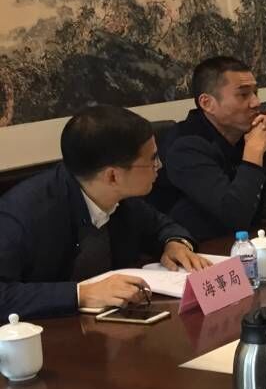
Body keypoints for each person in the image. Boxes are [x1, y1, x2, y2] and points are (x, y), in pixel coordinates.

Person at [0, 106, 210, 319]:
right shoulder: (21, 215)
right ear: (112, 176)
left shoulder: (119, 196)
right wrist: (81, 294)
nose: (160, 165)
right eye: (152, 159)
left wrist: (174, 243)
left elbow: (160, 225)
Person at [152, 56, 266, 241]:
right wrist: (253, 152)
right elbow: (234, 216)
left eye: (255, 92)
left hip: (250, 242)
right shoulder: (185, 147)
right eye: (243, 94)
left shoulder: (250, 133)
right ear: (207, 103)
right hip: (199, 248)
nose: (256, 102)